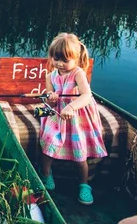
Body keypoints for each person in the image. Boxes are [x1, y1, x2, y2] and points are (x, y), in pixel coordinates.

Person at [38, 33, 108, 205]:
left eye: (65, 60)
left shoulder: (78, 74)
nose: (60, 64)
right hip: (57, 115)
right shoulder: (50, 76)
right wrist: (51, 99)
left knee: (79, 154)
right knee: (48, 143)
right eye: (56, 58)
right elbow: (49, 103)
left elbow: (86, 96)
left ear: (76, 58)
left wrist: (71, 106)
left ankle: (84, 184)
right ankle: (46, 174)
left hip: (77, 117)